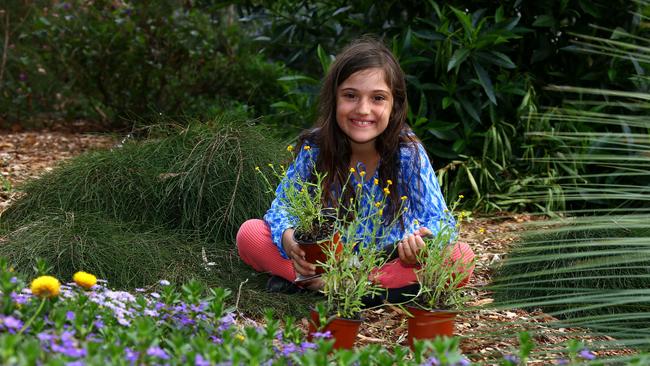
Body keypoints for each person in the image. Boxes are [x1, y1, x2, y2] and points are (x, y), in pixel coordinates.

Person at [236, 36, 474, 299]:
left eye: (378, 98)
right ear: (334, 98)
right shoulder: (314, 149)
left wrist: (421, 243)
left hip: (386, 261)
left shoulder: (408, 153)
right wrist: (288, 239)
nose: (363, 109)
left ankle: (342, 285)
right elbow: (282, 206)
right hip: (323, 261)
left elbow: (441, 220)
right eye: (350, 96)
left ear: (394, 104)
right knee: (250, 233)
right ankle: (331, 284)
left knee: (460, 257)